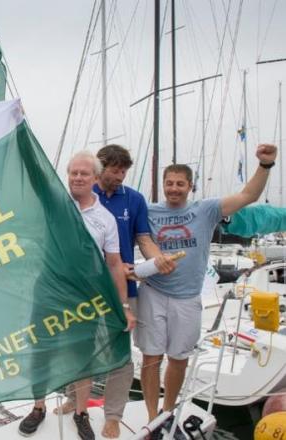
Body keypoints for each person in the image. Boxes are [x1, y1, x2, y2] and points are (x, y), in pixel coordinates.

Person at [136, 143, 278, 428]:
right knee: (151, 358)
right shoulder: (148, 210)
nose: (173, 188)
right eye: (169, 183)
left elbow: (248, 195)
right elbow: (138, 238)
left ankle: (167, 411)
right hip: (153, 292)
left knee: (179, 359)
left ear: (190, 186)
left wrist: (265, 165)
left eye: (179, 184)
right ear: (163, 185)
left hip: (188, 297)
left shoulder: (207, 209)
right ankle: (151, 417)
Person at [52, 145, 176, 438]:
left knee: (119, 353)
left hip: (122, 286)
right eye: (115, 170)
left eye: (124, 171)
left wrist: (155, 259)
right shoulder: (72, 199)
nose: (120, 176)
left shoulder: (134, 200)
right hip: (80, 291)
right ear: (101, 169)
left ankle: (113, 414)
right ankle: (74, 399)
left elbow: (143, 238)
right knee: (77, 347)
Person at [19, 151, 136, 440]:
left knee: (82, 356)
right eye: (73, 173)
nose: (78, 178)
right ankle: (38, 406)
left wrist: (123, 306)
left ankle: (81, 413)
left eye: (84, 173)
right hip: (48, 289)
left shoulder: (105, 219)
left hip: (85, 298)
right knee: (42, 348)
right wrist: (19, 132)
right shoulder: (57, 203)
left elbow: (113, 264)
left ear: (95, 179)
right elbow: (35, 175)